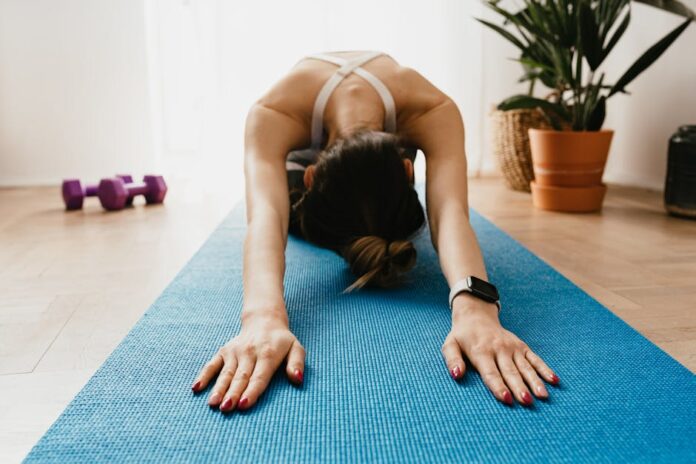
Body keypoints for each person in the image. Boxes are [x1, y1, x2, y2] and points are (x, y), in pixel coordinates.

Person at [190, 50, 560, 413]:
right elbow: (266, 217)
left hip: (367, 156)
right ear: (311, 178)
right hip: (298, 160)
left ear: (407, 171)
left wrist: (476, 308)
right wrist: (262, 317)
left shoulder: (431, 108)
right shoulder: (273, 112)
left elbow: (449, 213)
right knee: (286, 210)